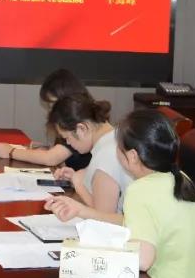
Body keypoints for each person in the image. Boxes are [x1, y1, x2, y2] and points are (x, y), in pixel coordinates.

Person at [53, 109, 195, 278]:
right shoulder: (182, 179)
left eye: (118, 148)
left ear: (133, 156)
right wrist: (82, 211)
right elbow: (140, 225)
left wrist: (88, 258)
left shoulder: (140, 190)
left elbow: (143, 260)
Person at [41, 93, 132, 224]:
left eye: (67, 138)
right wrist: (78, 178)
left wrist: (80, 185)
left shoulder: (106, 155)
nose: (68, 143)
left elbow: (104, 219)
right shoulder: (115, 137)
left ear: (81, 129)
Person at [0, 68, 93, 170]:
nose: (51, 111)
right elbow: (63, 154)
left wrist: (11, 152)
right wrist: (49, 148)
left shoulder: (77, 121)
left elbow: (50, 158)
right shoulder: (75, 118)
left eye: (52, 105)